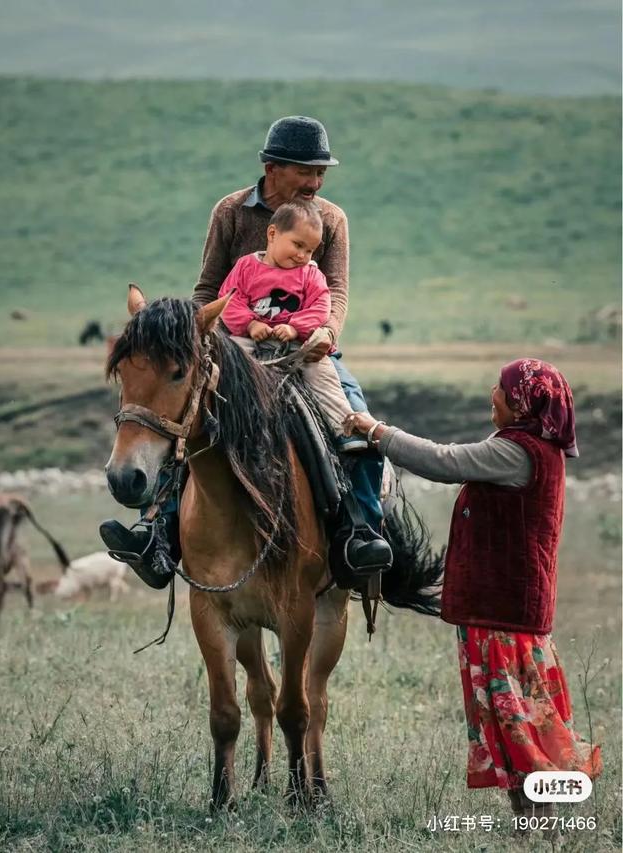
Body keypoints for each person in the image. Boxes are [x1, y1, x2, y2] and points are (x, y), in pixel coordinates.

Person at [101, 115, 392, 585]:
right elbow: (206, 288)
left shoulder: (331, 219)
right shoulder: (231, 211)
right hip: (231, 344)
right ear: (273, 167)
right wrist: (199, 339)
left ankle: (360, 532)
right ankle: (156, 536)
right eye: (307, 171)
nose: (316, 182)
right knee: (189, 421)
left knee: (356, 420)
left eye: (322, 173)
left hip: (305, 345)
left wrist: (326, 334)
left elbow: (335, 290)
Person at [344, 358, 602, 825]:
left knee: (519, 724)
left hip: (502, 613)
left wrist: (378, 432)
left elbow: (443, 462)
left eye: (501, 389)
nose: (492, 394)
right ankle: (535, 821)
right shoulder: (530, 447)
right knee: (516, 724)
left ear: (522, 402)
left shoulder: (518, 452)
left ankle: (544, 821)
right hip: (502, 610)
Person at [219, 200, 367, 450]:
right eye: (298, 245)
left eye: (309, 250)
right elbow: (229, 299)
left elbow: (321, 306)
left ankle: (345, 428)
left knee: (322, 374)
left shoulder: (311, 274)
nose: (302, 255)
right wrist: (250, 324)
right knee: (228, 365)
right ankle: (223, 423)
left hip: (297, 344)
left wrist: (295, 328)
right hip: (250, 339)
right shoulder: (246, 267)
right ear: (273, 233)